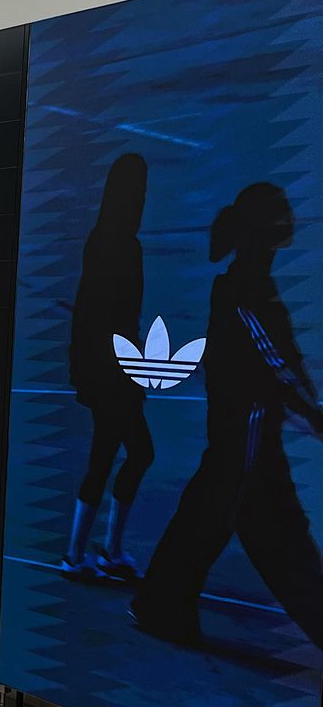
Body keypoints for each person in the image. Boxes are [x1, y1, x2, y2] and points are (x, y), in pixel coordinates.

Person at [132, 183, 323, 648]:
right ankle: (160, 605)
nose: (290, 221)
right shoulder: (249, 290)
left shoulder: (240, 284)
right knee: (272, 528)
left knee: (213, 513)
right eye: (282, 215)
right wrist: (312, 410)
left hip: (237, 426)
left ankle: (160, 605)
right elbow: (276, 359)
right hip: (248, 430)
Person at [62, 153, 154, 581]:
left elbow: (92, 311)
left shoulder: (104, 239)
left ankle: (89, 553)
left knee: (114, 455)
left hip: (109, 371)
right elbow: (111, 316)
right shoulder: (121, 244)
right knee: (130, 453)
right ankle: (95, 553)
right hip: (114, 373)